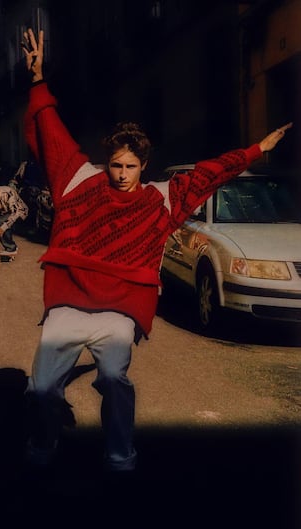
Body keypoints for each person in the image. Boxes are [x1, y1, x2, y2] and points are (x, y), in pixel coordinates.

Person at [22, 28, 292, 472]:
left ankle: (119, 455)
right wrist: (37, 79)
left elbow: (209, 174)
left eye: (130, 167)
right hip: (69, 302)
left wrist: (256, 150)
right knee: (43, 388)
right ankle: (45, 439)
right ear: (105, 163)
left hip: (120, 308)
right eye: (116, 165)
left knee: (112, 377)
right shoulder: (79, 180)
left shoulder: (162, 198)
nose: (122, 174)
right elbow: (52, 133)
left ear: (143, 166)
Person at [0, 180, 29, 256]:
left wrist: (3, 227)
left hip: (20, 213)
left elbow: (16, 212)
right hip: (7, 214)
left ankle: (11, 249)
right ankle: (11, 246)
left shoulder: (8, 192)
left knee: (1, 222)